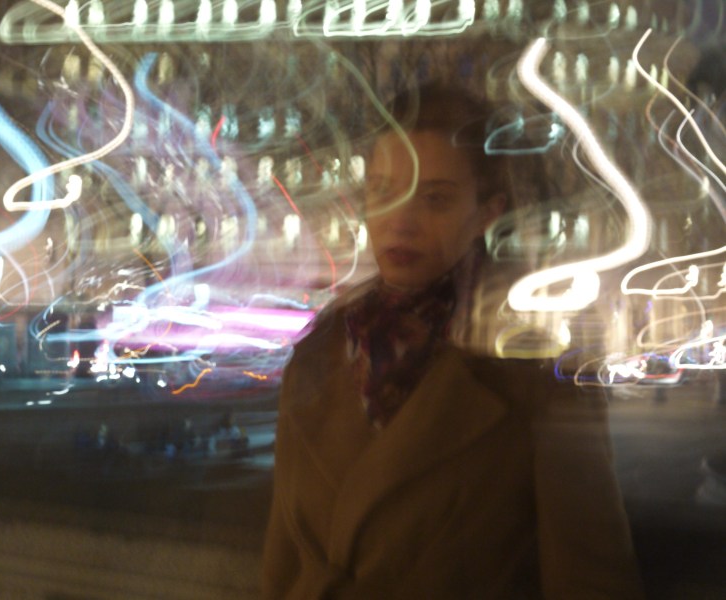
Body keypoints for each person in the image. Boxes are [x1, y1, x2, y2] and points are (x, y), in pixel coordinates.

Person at [261, 82, 644, 598]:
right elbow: (282, 568)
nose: (401, 221)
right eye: (383, 191)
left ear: (487, 212)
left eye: (435, 198)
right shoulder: (317, 356)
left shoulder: (535, 374)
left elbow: (589, 580)